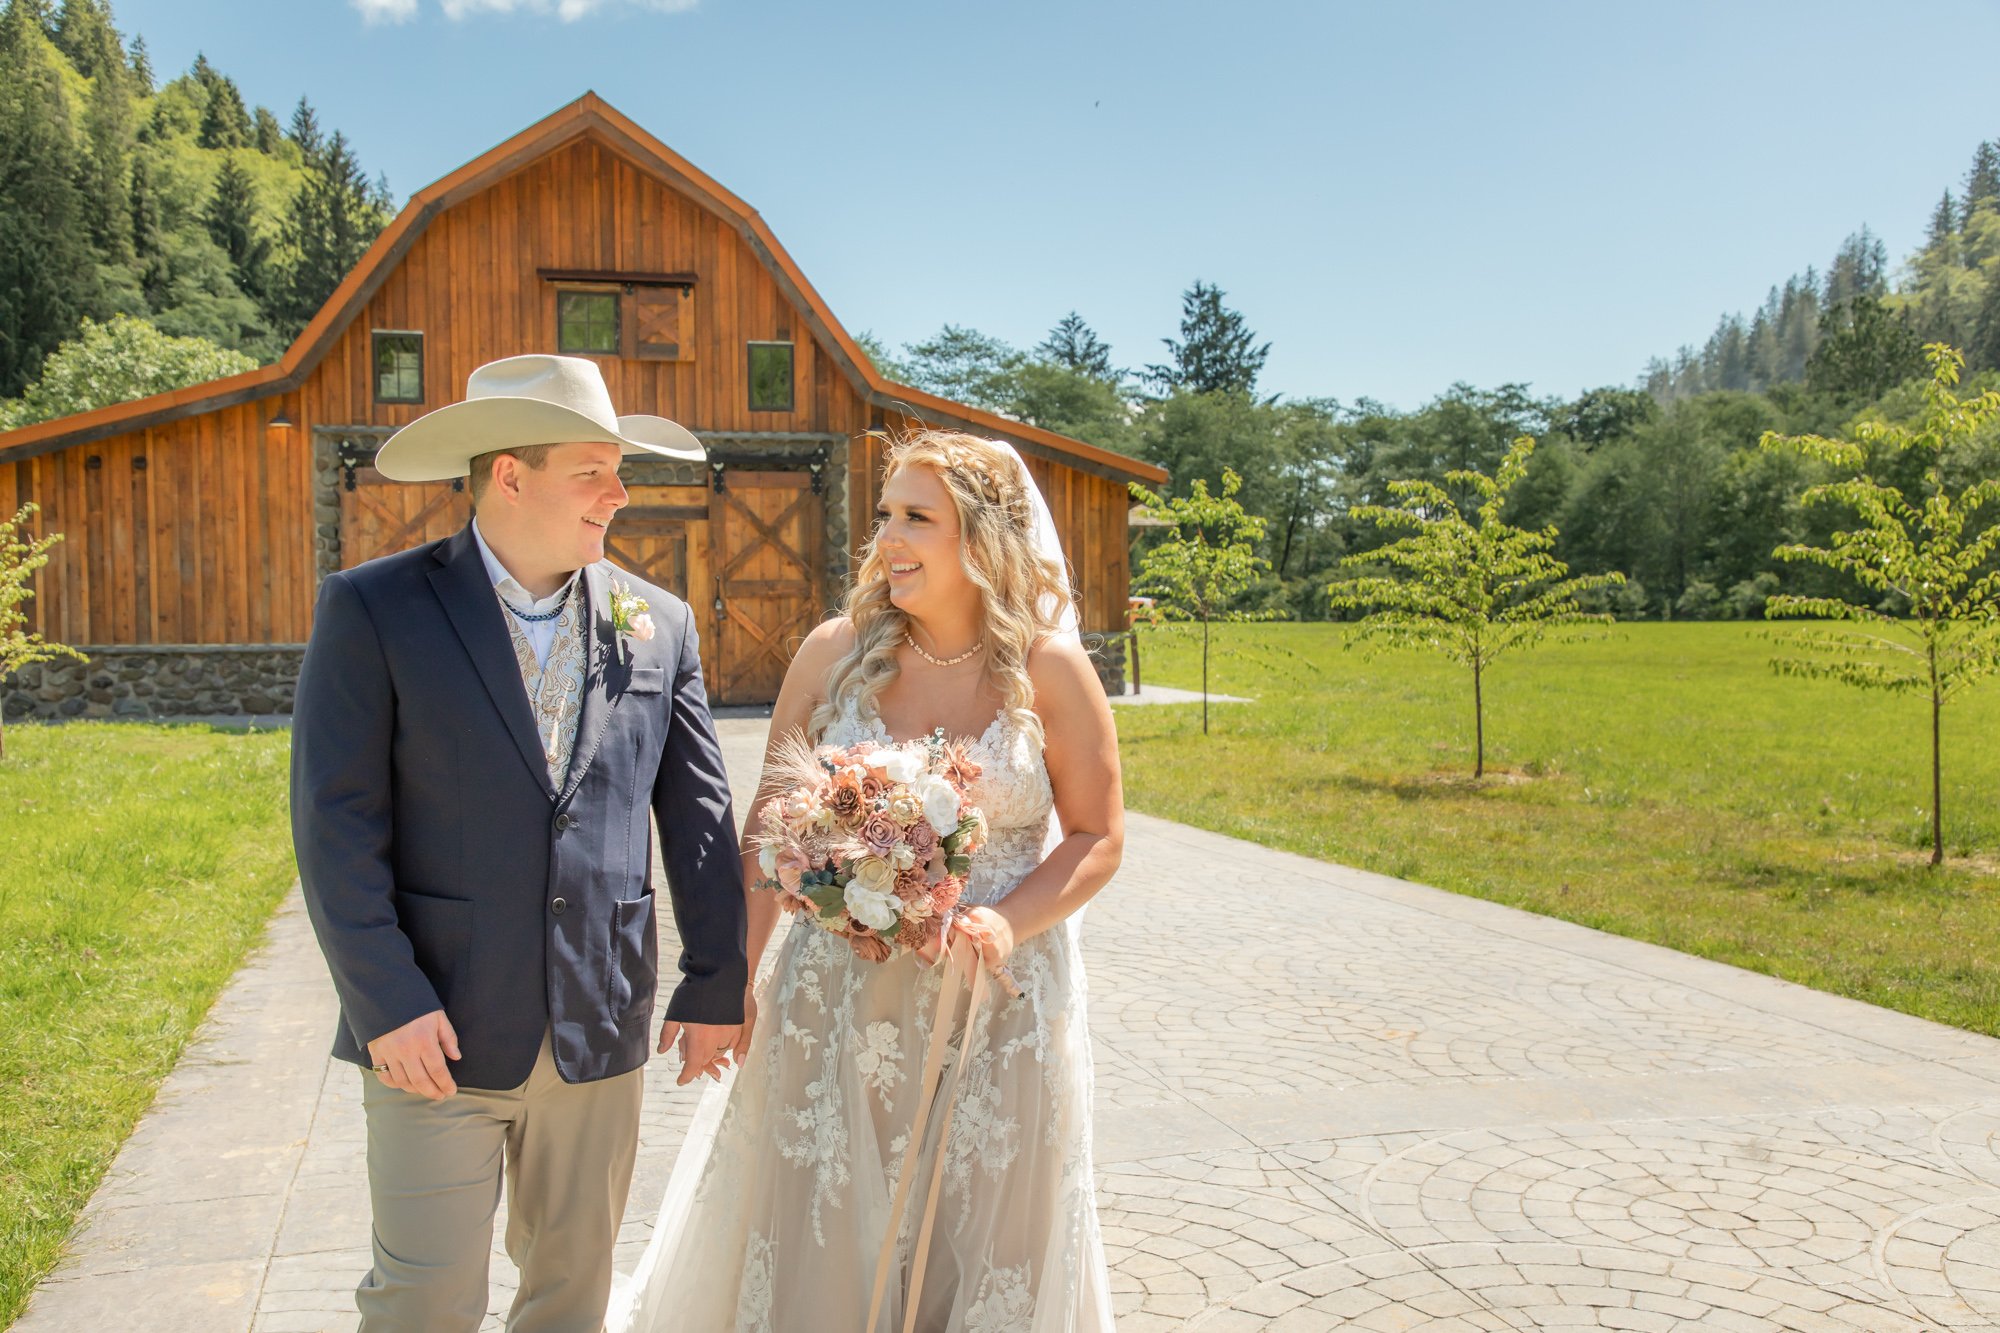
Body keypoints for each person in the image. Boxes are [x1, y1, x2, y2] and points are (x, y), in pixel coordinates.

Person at [610, 429, 1125, 1332]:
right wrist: (729, 983)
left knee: (982, 1236)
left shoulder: (1046, 669)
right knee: (826, 1230)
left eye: (916, 518)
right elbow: (769, 832)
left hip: (998, 1006)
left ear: (984, 537)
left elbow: (1097, 836)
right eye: (885, 514)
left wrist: (1006, 921)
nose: (886, 537)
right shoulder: (833, 654)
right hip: (837, 1006)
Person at [290, 353, 748, 1332]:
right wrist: (387, 1001)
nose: (619, 493)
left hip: (601, 1021)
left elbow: (699, 813)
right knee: (421, 1301)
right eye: (593, 469)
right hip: (433, 1032)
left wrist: (717, 981)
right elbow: (335, 824)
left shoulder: (657, 623)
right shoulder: (375, 609)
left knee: (571, 1294)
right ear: (510, 474)